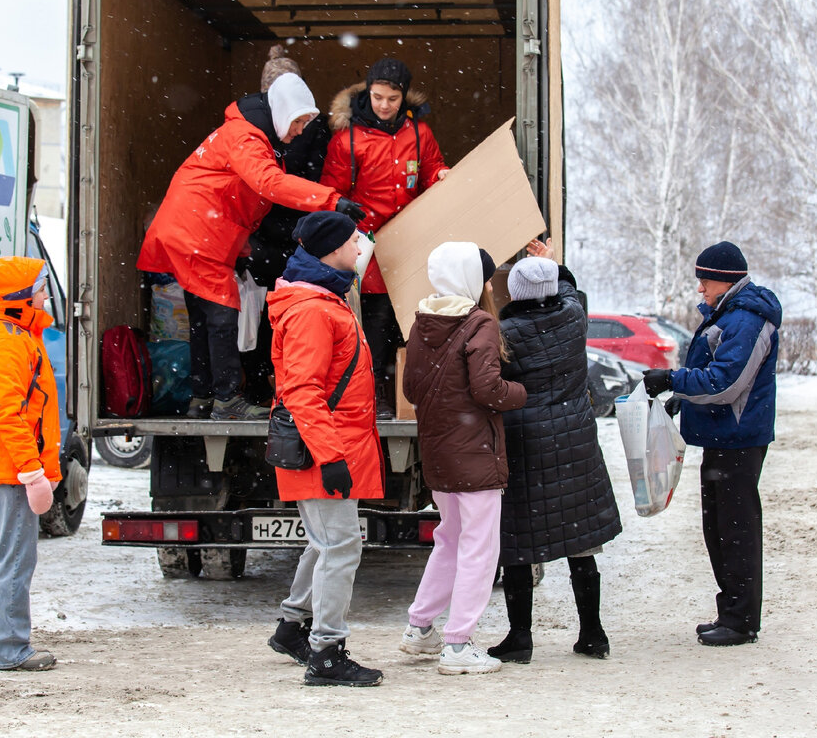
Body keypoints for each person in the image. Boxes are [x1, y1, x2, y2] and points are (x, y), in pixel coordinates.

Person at [137, 72, 364, 420]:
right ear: (283, 112)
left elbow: (234, 194)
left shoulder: (254, 136)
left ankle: (203, 397)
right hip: (198, 232)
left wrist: (241, 242)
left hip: (197, 228)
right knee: (221, 312)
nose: (302, 130)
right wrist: (331, 201)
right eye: (299, 121)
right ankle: (227, 401)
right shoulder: (245, 137)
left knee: (202, 315)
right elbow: (268, 183)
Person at [264, 211, 385, 687]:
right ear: (331, 250)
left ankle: (293, 627)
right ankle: (327, 652)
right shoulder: (315, 308)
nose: (360, 251)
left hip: (325, 445)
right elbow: (303, 391)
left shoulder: (322, 300)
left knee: (326, 543)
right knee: (341, 547)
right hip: (324, 449)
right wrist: (332, 457)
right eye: (355, 242)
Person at [488, 240, 623, 664]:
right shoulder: (574, 317)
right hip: (575, 440)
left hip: (525, 444)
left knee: (517, 544)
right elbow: (569, 289)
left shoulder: (503, 334)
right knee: (581, 541)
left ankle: (520, 638)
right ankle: (593, 634)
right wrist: (552, 264)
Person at [642, 241, 781, 647]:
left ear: (725, 281)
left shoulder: (748, 319)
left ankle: (740, 620)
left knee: (736, 530)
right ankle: (732, 612)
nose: (700, 289)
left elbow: (727, 382)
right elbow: (712, 372)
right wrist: (681, 399)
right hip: (722, 436)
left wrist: (673, 380)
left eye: (705, 281)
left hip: (738, 439)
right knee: (719, 528)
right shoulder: (730, 314)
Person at [399, 242, 527, 674]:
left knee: (449, 540)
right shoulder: (480, 323)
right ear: (473, 279)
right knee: (478, 548)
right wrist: (522, 393)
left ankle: (420, 628)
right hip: (475, 453)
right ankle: (458, 645)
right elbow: (489, 389)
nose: (489, 284)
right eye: (486, 275)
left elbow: (411, 391)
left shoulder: (422, 321)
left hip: (439, 452)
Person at [320, 58, 450, 418]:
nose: (383, 105)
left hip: (409, 243)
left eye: (392, 98)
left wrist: (440, 174)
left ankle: (411, 400)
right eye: (377, 97)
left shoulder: (419, 134)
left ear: (403, 97)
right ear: (368, 92)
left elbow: (430, 171)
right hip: (367, 248)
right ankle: (376, 401)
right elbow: (329, 193)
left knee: (412, 325)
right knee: (374, 328)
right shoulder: (347, 138)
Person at [0, 256, 62, 671]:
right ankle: (8, 649)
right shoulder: (8, 339)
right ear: (20, 297)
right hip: (14, 472)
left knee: (9, 556)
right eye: (39, 288)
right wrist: (32, 472)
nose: (45, 295)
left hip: (14, 470)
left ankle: (3, 646)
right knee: (14, 558)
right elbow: (7, 414)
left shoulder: (16, 333)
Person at [242, 46, 335, 405]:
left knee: (275, 310)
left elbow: (312, 173)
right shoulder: (264, 129)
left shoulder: (295, 127)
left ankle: (273, 382)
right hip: (285, 230)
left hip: (281, 229)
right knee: (282, 310)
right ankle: (275, 382)